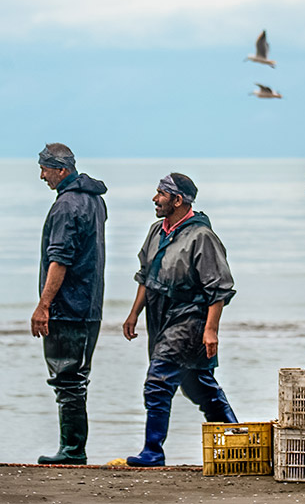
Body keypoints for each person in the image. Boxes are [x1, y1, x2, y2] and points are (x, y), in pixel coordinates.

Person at [123, 173, 238, 467]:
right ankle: (237, 441)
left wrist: (211, 330)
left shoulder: (202, 237)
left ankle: (152, 451)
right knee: (198, 385)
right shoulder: (155, 231)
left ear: (177, 200)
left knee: (158, 381)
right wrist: (134, 313)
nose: (154, 198)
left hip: (191, 319)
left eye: (161, 193)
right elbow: (146, 278)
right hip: (160, 317)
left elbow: (219, 289)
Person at [33, 143, 108, 465]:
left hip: (67, 305)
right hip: (90, 304)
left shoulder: (66, 205)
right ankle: (73, 448)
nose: (41, 176)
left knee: (67, 380)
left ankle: (73, 450)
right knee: (77, 378)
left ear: (61, 170)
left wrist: (44, 305)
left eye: (45, 169)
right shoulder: (95, 201)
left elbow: (60, 259)